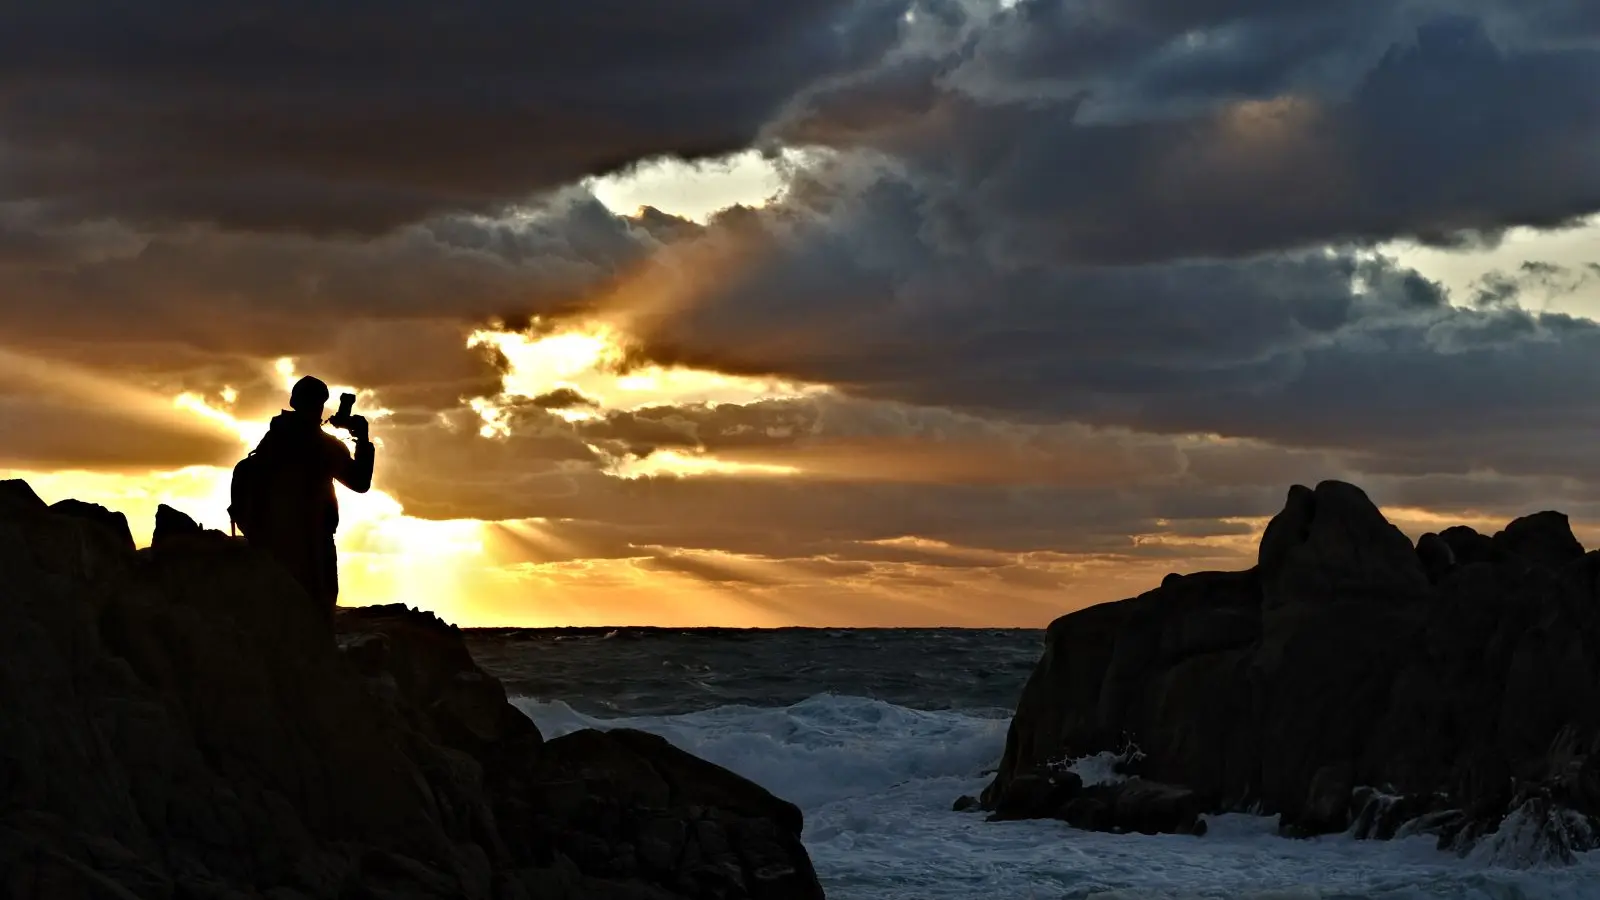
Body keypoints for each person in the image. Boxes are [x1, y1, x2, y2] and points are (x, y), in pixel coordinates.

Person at [237, 376, 374, 620]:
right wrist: (362, 439)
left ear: (293, 401)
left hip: (272, 545)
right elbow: (360, 483)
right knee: (317, 619)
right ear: (321, 405)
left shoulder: (273, 439)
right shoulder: (323, 446)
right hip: (312, 547)